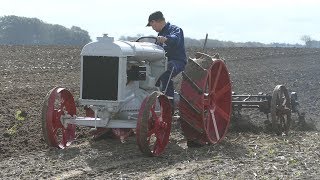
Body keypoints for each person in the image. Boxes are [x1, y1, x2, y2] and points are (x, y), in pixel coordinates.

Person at [146, 11, 187, 110]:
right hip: (162, 62)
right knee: (147, 71)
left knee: (166, 70)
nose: (153, 28)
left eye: (153, 25)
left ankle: (169, 103)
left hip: (177, 61)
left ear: (156, 21)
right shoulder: (160, 34)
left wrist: (166, 39)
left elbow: (175, 39)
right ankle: (151, 98)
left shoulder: (175, 29)